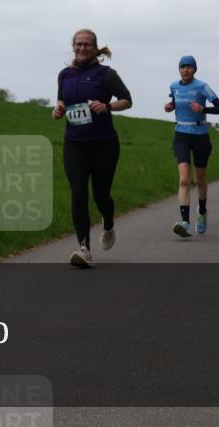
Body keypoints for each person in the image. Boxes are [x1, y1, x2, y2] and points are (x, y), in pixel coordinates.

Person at [52, 29, 133, 267]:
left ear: (95, 48)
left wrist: (107, 106)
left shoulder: (106, 74)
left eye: (87, 44)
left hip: (104, 144)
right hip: (75, 143)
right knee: (78, 192)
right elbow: (61, 101)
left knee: (100, 195)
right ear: (73, 46)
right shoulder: (64, 74)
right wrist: (58, 109)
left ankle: (108, 222)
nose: (82, 48)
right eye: (78, 44)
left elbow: (127, 100)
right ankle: (84, 248)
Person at [164, 55, 219, 238]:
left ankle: (202, 211)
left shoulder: (202, 86)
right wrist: (170, 106)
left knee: (199, 180)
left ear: (194, 69)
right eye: (182, 67)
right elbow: (175, 103)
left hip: (200, 136)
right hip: (181, 134)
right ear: (179, 69)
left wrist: (203, 109)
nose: (185, 70)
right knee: (184, 180)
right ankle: (185, 222)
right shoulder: (174, 86)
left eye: (189, 67)